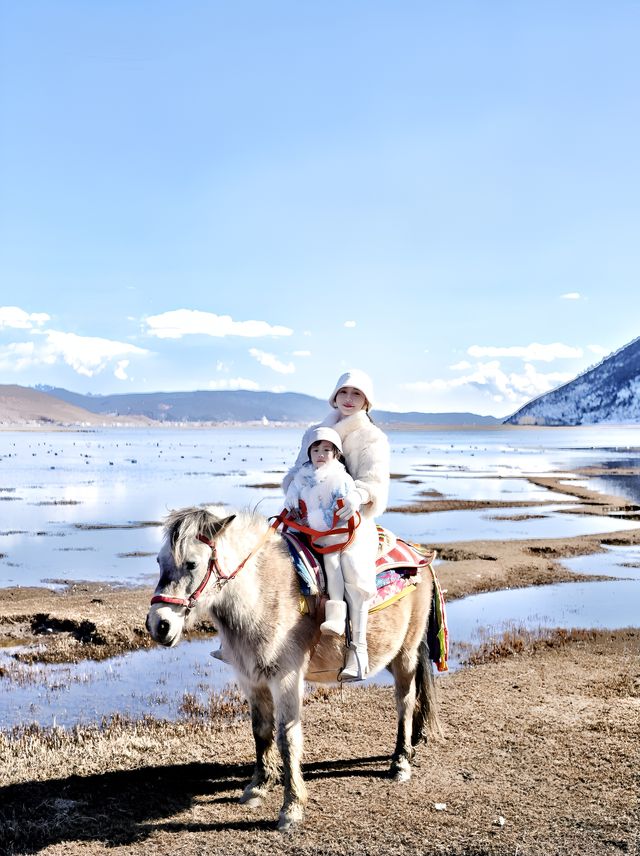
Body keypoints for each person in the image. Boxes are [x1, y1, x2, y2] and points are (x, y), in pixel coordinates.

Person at [283, 369, 390, 681]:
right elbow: (298, 469)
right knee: (271, 553)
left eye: (356, 394)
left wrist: (357, 496)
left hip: (350, 518)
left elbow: (375, 481)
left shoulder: (372, 438)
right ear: (334, 395)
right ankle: (246, 639)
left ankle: (358, 649)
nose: (348, 399)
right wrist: (295, 490)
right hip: (309, 516)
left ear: (366, 401)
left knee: (351, 565)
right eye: (344, 392)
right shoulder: (315, 432)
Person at [284, 427, 359, 637]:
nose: (320, 454)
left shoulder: (340, 478)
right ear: (309, 453)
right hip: (301, 529)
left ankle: (336, 616)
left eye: (327, 449)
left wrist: (318, 521)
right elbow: (293, 491)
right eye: (315, 450)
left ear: (335, 453)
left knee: (332, 561)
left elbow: (343, 504)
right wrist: (291, 502)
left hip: (331, 533)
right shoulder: (303, 475)